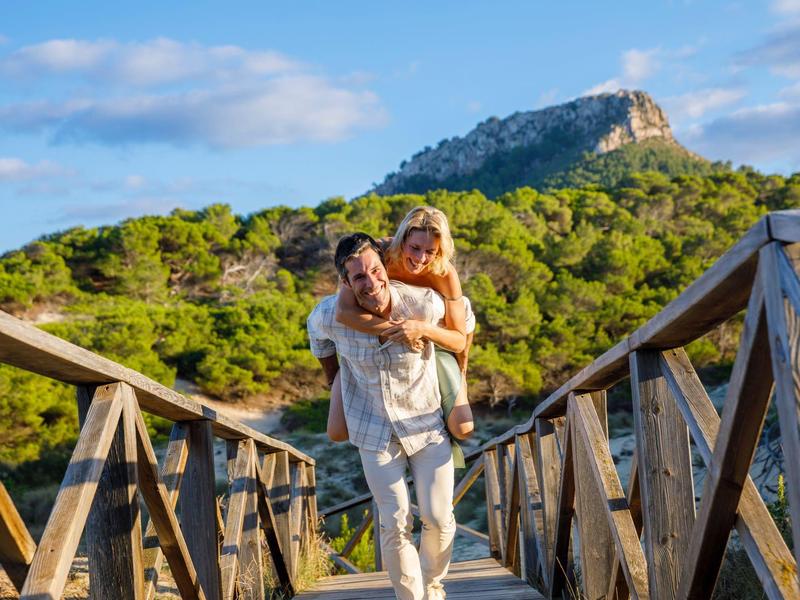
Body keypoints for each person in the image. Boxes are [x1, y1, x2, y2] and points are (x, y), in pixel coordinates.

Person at [307, 233, 459, 600]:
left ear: (385, 267)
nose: (371, 282)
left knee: (439, 518)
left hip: (426, 426)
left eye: (375, 270)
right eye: (359, 277)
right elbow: (321, 346)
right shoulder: (327, 315)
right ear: (345, 282)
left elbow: (461, 330)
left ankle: (433, 584)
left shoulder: (422, 304)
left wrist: (428, 337)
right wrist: (337, 383)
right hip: (372, 430)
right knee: (394, 521)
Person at [327, 207, 474, 458]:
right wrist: (400, 331)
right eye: (415, 248)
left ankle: (453, 392)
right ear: (402, 238)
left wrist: (421, 329)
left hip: (438, 337)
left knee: (464, 427)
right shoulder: (378, 254)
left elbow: (458, 339)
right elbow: (343, 313)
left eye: (431, 251)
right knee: (337, 431)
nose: (420, 258)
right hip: (395, 336)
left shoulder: (445, 273)